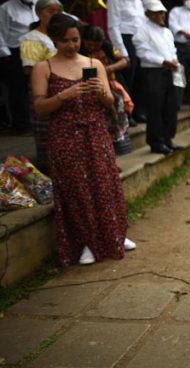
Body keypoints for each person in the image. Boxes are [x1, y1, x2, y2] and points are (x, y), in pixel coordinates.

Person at [29, 14, 135, 266]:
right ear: (54, 40)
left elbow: (110, 102)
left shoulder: (93, 63)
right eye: (65, 40)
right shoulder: (44, 67)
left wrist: (101, 92)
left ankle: (116, 233)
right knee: (76, 189)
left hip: (95, 132)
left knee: (105, 183)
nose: (71, 45)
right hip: (64, 135)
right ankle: (87, 241)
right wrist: (64, 95)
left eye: (75, 39)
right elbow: (39, 108)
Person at [20, 0, 63, 172]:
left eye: (58, 11)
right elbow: (30, 69)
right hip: (44, 87)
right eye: (50, 11)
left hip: (63, 87)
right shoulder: (32, 38)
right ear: (39, 14)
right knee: (46, 131)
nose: (55, 15)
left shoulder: (62, 36)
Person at [132, 0, 180, 155]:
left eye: (162, 12)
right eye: (157, 13)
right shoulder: (142, 30)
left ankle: (167, 139)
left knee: (170, 107)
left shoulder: (166, 31)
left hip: (169, 71)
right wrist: (163, 61)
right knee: (155, 108)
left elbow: (172, 50)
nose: (161, 15)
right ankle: (156, 142)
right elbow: (142, 53)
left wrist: (174, 62)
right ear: (148, 14)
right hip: (153, 72)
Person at [81, 25, 134, 155]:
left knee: (118, 115)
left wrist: (108, 69)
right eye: (90, 44)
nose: (93, 48)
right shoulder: (80, 51)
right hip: (91, 89)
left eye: (96, 45)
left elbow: (125, 61)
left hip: (112, 85)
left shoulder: (107, 47)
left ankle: (120, 147)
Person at [0, 0, 38, 133]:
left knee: (35, 87)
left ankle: (34, 121)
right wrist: (5, 53)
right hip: (14, 52)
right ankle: (21, 125)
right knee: (18, 91)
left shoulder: (36, 7)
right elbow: (0, 32)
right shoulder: (6, 8)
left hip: (34, 51)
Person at [107, 0, 146, 122]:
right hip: (125, 38)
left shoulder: (137, 0)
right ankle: (126, 114)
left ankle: (138, 111)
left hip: (139, 39)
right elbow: (113, 26)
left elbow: (141, 22)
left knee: (140, 78)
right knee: (128, 78)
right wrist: (122, 50)